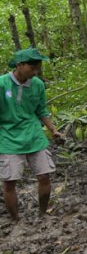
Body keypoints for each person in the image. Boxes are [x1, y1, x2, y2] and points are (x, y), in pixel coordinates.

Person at [0, 48, 63, 219]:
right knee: (10, 182)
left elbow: (41, 109)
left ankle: (43, 214)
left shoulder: (37, 85)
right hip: (8, 137)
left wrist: (53, 130)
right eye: (32, 68)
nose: (36, 72)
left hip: (34, 135)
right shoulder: (2, 84)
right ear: (20, 65)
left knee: (44, 176)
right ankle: (15, 220)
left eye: (38, 68)